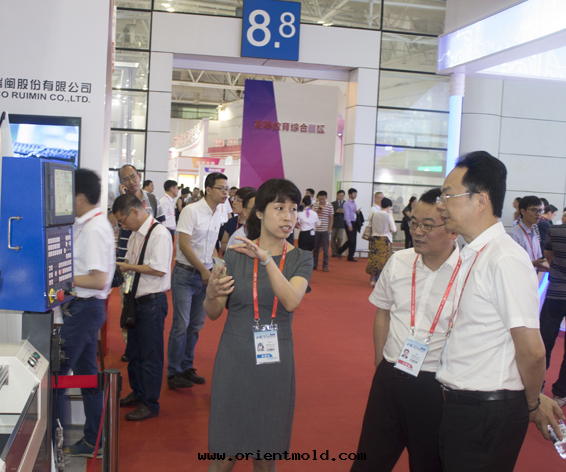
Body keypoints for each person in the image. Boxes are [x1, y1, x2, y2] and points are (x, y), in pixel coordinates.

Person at [435, 151, 563, 472]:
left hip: (485, 411)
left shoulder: (504, 258)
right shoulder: (473, 252)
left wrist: (531, 403)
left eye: (448, 196)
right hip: (463, 405)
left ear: (481, 200)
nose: (441, 205)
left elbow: (532, 351)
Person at [204, 178, 313, 471]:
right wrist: (211, 294)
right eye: (280, 208)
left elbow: (290, 301)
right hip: (234, 355)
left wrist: (266, 260)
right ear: (260, 213)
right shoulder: (235, 254)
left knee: (266, 456)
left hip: (274, 361)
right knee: (223, 454)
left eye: (293, 209)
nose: (289, 216)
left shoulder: (301, 259)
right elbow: (213, 312)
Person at [351, 188, 458, 472]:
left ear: (453, 228)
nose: (418, 232)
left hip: (435, 386)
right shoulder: (399, 261)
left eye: (428, 225)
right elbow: (383, 311)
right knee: (368, 462)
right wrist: (381, 363)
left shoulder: (468, 272)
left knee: (428, 464)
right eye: (414, 223)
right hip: (390, 376)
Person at [58, 169, 115, 458]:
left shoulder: (93, 229)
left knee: (56, 377)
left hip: (85, 309)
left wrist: (60, 280)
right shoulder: (89, 224)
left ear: (80, 196)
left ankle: (51, 444)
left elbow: (98, 280)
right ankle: (94, 440)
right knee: (87, 377)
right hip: (85, 309)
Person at [167, 172, 228, 389]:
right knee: (181, 325)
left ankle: (186, 366)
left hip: (206, 275)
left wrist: (216, 268)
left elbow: (211, 245)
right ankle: (173, 371)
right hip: (185, 275)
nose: (225, 193)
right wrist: (203, 271)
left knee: (195, 325)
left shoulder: (217, 214)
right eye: (221, 188)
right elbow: (184, 245)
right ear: (208, 190)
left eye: (227, 189)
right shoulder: (191, 210)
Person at [114, 194, 173, 421]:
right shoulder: (134, 234)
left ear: (135, 212)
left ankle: (150, 403)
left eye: (122, 221)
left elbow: (158, 269)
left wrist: (128, 267)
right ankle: (138, 393)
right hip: (135, 300)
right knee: (134, 353)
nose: (122, 226)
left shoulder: (159, 234)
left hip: (152, 302)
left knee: (150, 355)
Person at [540, 221, 566, 407]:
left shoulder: (554, 230)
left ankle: (537, 386)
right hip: (555, 293)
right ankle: (561, 393)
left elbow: (548, 257)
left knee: (545, 342)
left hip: (555, 293)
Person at [510, 195, 548, 271]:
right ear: (523, 211)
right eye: (534, 210)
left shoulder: (535, 233)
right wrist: (532, 264)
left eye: (540, 211)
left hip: (532, 276)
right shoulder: (513, 234)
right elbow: (510, 263)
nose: (538, 214)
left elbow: (536, 262)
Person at [366, 197, 396, 286]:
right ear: (389, 206)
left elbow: (370, 226)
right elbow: (393, 229)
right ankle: (382, 281)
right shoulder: (388, 216)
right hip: (385, 240)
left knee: (374, 259)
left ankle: (373, 280)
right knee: (384, 260)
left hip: (375, 239)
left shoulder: (374, 215)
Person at [220, 187, 256, 253]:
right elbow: (223, 244)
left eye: (238, 200)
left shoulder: (257, 225)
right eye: (234, 199)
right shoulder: (231, 221)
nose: (234, 203)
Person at [312, 190, 333, 272]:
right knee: (315, 248)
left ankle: (325, 265)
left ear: (326, 198)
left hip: (325, 230)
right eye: (320, 199)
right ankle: (314, 265)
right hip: (316, 230)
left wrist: (329, 229)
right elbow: (312, 216)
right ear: (317, 198)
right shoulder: (315, 205)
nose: (322, 200)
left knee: (325, 249)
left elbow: (331, 218)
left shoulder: (329, 206)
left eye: (323, 199)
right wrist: (317, 212)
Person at [337, 188, 360, 262]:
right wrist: (349, 225)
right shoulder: (347, 203)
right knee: (351, 240)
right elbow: (346, 215)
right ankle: (339, 250)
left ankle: (350, 256)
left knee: (354, 240)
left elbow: (352, 212)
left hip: (354, 222)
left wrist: (357, 212)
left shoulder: (354, 203)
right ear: (350, 194)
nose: (355, 195)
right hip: (349, 222)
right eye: (354, 193)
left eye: (356, 193)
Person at [160, 179, 179, 243]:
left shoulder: (170, 200)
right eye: (177, 188)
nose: (178, 190)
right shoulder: (164, 201)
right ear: (172, 189)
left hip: (170, 231)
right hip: (166, 231)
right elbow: (161, 219)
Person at [331, 190, 346, 257]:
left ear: (344, 196)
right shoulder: (333, 204)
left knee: (340, 238)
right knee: (333, 238)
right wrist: (335, 211)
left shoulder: (346, 203)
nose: (341, 197)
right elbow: (330, 213)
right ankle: (334, 252)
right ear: (337, 196)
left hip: (342, 223)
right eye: (339, 195)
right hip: (334, 223)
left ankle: (338, 251)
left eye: (342, 196)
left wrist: (344, 212)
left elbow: (349, 213)